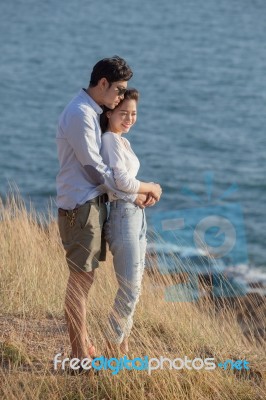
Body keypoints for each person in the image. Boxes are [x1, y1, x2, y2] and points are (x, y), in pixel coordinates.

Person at [56, 56, 161, 365]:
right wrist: (138, 189)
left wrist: (131, 192)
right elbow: (94, 170)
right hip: (80, 205)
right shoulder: (79, 113)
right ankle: (79, 357)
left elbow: (106, 174)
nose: (119, 97)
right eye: (118, 91)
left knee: (86, 279)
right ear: (102, 83)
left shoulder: (91, 112)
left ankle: (86, 346)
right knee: (81, 280)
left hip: (93, 204)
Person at [100, 88, 162, 354]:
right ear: (110, 112)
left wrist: (139, 195)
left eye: (133, 113)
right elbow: (119, 181)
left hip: (135, 214)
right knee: (129, 289)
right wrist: (151, 187)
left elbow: (119, 183)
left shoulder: (122, 141)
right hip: (122, 216)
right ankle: (111, 350)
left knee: (135, 286)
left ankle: (122, 345)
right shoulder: (110, 140)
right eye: (123, 112)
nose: (129, 118)